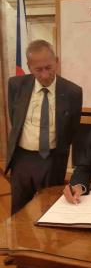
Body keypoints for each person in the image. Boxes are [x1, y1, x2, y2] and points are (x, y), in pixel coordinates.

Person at [5, 39, 82, 214]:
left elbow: (72, 130)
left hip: (52, 160)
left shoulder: (73, 92)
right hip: (22, 159)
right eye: (38, 70)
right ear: (29, 66)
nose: (45, 74)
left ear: (57, 61)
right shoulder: (16, 85)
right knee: (18, 210)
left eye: (49, 67)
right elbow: (15, 119)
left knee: (50, 209)